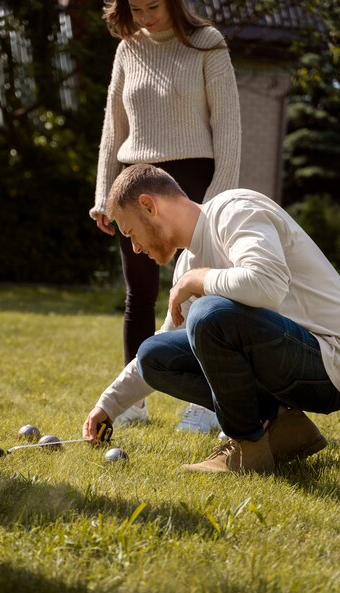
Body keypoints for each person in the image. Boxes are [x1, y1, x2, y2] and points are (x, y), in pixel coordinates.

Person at [83, 164, 340, 474]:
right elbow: (170, 342)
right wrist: (107, 405)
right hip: (291, 364)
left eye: (130, 233)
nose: (135, 248)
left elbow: (268, 284)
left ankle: (246, 446)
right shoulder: (187, 264)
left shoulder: (235, 210)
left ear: (148, 206)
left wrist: (198, 279)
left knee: (209, 314)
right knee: (156, 355)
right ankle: (284, 427)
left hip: (329, 359)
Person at [89, 0, 241, 430]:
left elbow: (228, 126)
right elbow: (112, 128)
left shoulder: (208, 45)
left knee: (204, 295)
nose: (144, 16)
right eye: (134, 8)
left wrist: (219, 199)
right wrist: (104, 195)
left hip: (194, 182)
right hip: (134, 183)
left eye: (152, 5)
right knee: (139, 295)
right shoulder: (127, 49)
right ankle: (132, 402)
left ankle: (209, 402)